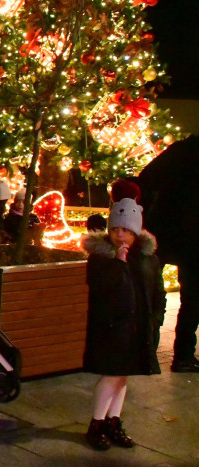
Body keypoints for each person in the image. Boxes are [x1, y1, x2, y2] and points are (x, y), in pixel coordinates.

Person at [81, 198, 164, 450]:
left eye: (126, 230)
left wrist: (155, 320)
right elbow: (101, 288)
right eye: (116, 229)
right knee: (112, 375)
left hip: (138, 327)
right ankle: (97, 423)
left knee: (122, 377)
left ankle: (113, 421)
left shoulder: (147, 258)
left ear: (135, 232)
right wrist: (118, 264)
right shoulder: (102, 258)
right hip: (112, 328)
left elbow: (156, 292)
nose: (120, 235)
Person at [135, 135, 199, 372]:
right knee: (191, 299)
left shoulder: (183, 149)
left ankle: (146, 351)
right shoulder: (185, 149)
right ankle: (182, 355)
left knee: (150, 294)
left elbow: (146, 179)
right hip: (187, 238)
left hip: (163, 229)